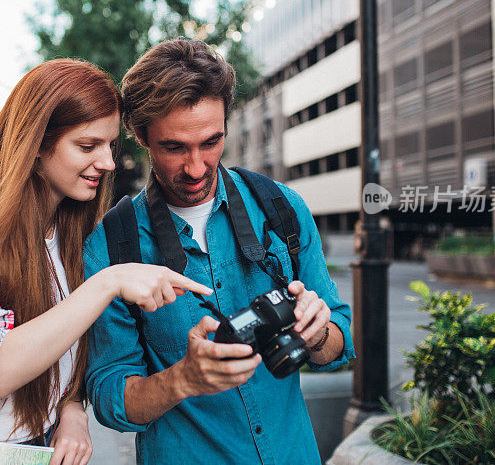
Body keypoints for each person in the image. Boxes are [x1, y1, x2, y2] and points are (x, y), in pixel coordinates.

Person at [0, 60, 212, 465]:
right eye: (87, 146)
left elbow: (62, 347)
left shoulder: (71, 230)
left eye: (110, 146)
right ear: (37, 142)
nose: (108, 162)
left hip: (37, 450)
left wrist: (71, 411)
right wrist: (109, 282)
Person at [84, 39, 354, 464]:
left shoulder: (281, 207)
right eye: (175, 147)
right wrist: (182, 380)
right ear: (141, 136)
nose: (195, 168)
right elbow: (108, 397)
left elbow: (338, 339)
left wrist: (318, 331)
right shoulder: (112, 245)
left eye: (211, 142)